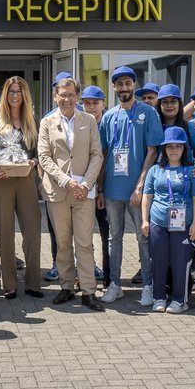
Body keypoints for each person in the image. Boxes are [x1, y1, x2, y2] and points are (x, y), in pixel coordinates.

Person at [97, 66, 164, 306]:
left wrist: (140, 185)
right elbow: (103, 154)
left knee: (143, 237)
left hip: (138, 191)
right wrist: (101, 189)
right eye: (119, 84)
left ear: (134, 85)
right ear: (114, 87)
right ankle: (115, 285)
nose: (124, 88)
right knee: (114, 238)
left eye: (128, 83)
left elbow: (152, 151)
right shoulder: (108, 116)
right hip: (113, 189)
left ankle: (148, 284)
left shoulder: (148, 112)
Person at [38, 78, 103, 311]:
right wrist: (66, 181)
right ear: (55, 96)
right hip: (59, 191)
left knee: (84, 242)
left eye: (71, 95)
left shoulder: (89, 121)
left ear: (78, 97)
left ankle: (88, 291)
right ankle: (66, 287)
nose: (66, 99)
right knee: (63, 242)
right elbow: (44, 157)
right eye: (62, 95)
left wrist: (86, 183)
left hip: (84, 192)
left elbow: (97, 154)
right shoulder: (47, 122)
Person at [0, 76, 44, 300]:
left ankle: (33, 283)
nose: (14, 95)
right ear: (5, 95)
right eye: (10, 91)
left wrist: (33, 162)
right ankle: (9, 283)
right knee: (5, 232)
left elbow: (39, 151)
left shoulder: (33, 121)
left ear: (25, 95)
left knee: (32, 230)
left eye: (18, 91)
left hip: (26, 178)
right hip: (1, 179)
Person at [141, 126, 195, 314]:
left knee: (180, 262)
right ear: (164, 149)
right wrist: (145, 220)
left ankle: (179, 300)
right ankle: (159, 297)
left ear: (184, 149)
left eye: (178, 146)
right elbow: (147, 196)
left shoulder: (192, 171)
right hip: (158, 222)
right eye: (170, 147)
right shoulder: (155, 170)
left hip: (184, 224)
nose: (174, 150)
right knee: (158, 261)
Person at [80, 85, 111, 287]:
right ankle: (85, 274)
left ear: (103, 104)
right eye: (87, 103)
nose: (91, 107)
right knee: (83, 234)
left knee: (106, 233)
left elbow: (104, 159)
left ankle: (108, 276)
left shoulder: (107, 125)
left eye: (95, 103)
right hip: (82, 188)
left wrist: (100, 189)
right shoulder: (79, 124)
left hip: (104, 189)